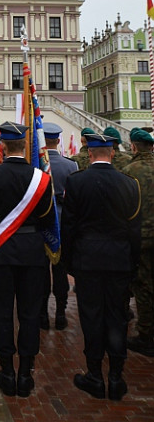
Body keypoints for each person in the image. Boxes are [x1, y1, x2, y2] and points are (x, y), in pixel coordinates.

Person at [0, 122, 55, 398]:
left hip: (1, 250)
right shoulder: (41, 178)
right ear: (25, 146)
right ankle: (26, 373)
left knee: (2, 311)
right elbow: (47, 219)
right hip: (32, 251)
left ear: (2, 147)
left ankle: (7, 369)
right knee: (30, 313)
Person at [61, 132, 141, 401]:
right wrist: (132, 263)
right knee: (117, 317)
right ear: (113, 153)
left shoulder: (76, 182)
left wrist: (69, 261)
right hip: (119, 259)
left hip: (88, 259)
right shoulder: (130, 184)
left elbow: (69, 228)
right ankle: (116, 378)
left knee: (92, 317)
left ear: (90, 153)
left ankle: (94, 375)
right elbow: (134, 231)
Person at [40, 122, 78, 330]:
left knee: (43, 271)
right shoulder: (71, 165)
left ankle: (44, 313)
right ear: (57, 140)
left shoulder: (37, 164)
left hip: (43, 220)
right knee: (60, 269)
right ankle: (61, 312)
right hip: (63, 221)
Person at [123, 128, 154, 357]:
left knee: (143, 285)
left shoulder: (129, 171)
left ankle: (146, 335)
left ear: (133, 146)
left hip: (141, 238)